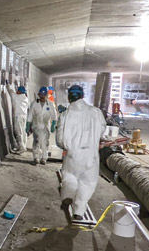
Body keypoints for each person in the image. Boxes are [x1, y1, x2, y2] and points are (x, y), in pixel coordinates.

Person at [56, 84, 107, 224]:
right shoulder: (96, 112)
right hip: (91, 154)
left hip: (73, 154)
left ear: (69, 97)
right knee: (87, 183)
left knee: (70, 176)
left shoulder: (65, 114)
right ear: (83, 96)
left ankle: (68, 195)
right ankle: (78, 211)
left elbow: (60, 139)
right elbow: (103, 130)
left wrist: (65, 145)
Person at [28, 87, 56, 165]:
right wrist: (28, 123)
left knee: (45, 142)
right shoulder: (34, 104)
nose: (42, 97)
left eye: (44, 95)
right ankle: (36, 158)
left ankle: (44, 158)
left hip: (45, 126)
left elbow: (54, 115)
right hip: (36, 125)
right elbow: (30, 114)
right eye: (41, 95)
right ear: (39, 95)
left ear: (46, 95)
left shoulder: (50, 104)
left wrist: (54, 123)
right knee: (36, 141)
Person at [10, 85, 29, 152]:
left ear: (19, 92)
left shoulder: (17, 97)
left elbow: (11, 92)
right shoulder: (26, 98)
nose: (16, 91)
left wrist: (8, 85)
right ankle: (22, 146)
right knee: (23, 132)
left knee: (18, 131)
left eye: (17, 91)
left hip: (18, 116)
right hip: (24, 116)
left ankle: (21, 148)